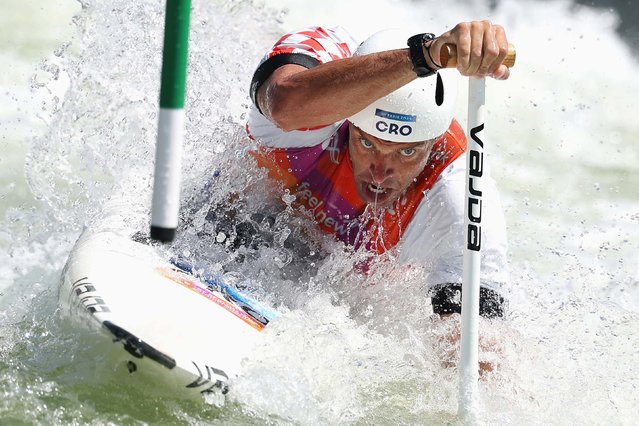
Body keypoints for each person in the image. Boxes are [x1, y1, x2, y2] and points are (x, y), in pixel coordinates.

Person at [245, 21, 511, 322]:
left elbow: (478, 344)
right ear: (349, 121)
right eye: (368, 143)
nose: (381, 173)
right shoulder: (321, 75)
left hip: (337, 301)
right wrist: (424, 57)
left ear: (434, 143)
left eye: (407, 151)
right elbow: (283, 104)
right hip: (231, 228)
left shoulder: (457, 192)